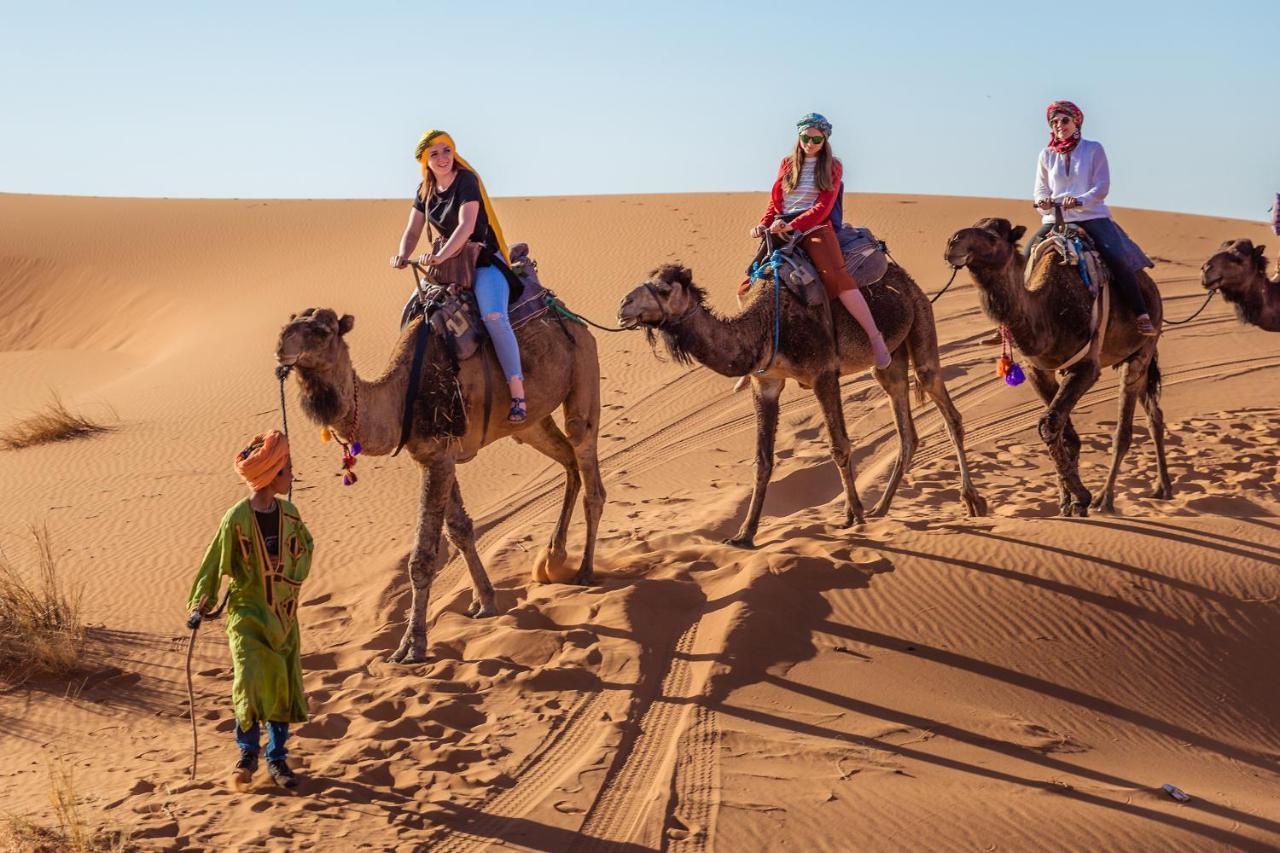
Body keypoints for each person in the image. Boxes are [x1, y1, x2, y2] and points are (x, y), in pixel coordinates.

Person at [187, 430, 314, 790]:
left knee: (280, 684)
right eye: (287, 468)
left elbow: (306, 548)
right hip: (247, 615)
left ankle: (277, 759)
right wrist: (201, 604)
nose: (291, 474)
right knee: (248, 681)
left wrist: (288, 575)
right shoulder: (237, 518)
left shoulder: (290, 513)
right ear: (272, 475)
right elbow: (215, 561)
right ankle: (246, 753)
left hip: (284, 617)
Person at [391, 130, 528, 424]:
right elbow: (413, 230)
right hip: (447, 267)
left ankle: (517, 394)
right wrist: (402, 254)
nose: (442, 158)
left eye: (446, 151)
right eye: (434, 154)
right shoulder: (424, 191)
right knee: (414, 315)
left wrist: (441, 256)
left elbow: (466, 226)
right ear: (425, 161)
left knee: (493, 316)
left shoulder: (466, 181)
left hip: (481, 261)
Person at [751, 113, 893, 370]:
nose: (810, 143)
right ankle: (757, 350)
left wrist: (794, 225)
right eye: (806, 137)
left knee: (838, 280)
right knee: (753, 280)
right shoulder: (786, 164)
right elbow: (776, 201)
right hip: (782, 226)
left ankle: (875, 338)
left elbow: (823, 206)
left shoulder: (832, 166)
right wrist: (764, 223)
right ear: (799, 136)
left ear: (825, 139)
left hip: (815, 227)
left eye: (817, 138)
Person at [1029, 100, 1158, 336]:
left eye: (1064, 120)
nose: (1059, 125)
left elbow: (1101, 187)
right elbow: (1040, 189)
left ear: (1076, 121)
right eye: (1054, 122)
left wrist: (1079, 200)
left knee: (1117, 257)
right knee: (1025, 257)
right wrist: (1043, 203)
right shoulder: (1046, 155)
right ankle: (1009, 324)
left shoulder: (1093, 149)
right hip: (1055, 220)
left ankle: (1141, 314)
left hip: (1091, 216)